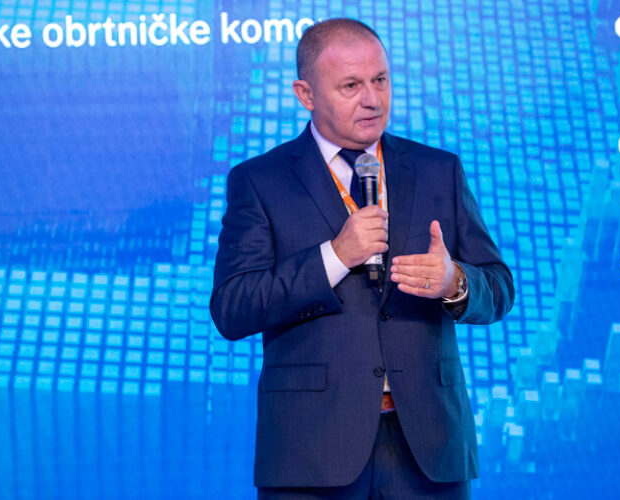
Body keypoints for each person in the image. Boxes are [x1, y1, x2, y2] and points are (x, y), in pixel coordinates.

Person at [210, 18, 514, 499]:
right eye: (351, 86)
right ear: (305, 94)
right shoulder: (260, 181)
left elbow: (498, 287)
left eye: (381, 80)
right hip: (311, 451)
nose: (373, 99)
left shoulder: (438, 170)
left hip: (430, 449)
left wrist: (454, 282)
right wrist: (334, 257)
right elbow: (233, 307)